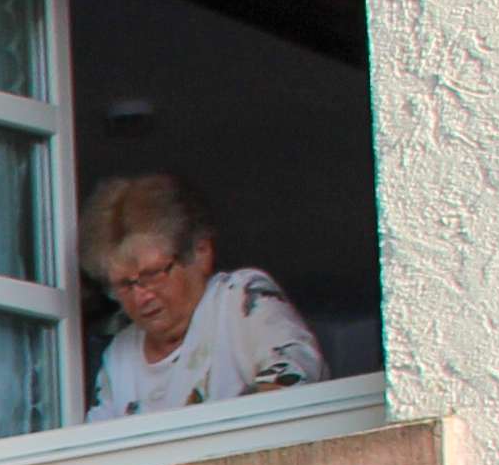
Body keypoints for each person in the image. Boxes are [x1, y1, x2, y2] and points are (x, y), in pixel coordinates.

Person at [83, 173, 330, 423]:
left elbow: (299, 372)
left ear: (201, 253)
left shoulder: (239, 299)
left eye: (153, 274)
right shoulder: (120, 353)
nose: (141, 297)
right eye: (125, 284)